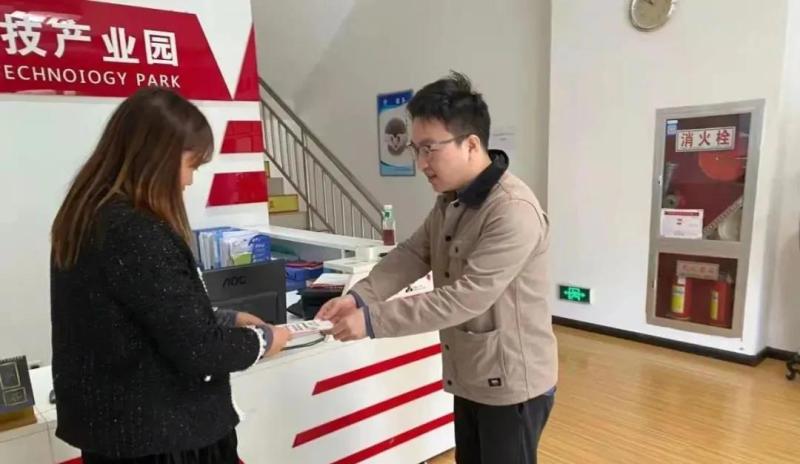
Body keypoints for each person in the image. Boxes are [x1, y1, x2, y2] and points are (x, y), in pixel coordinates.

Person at [318, 72, 558, 463]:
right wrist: (361, 296)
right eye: (416, 150)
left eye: (430, 149)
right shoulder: (451, 199)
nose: (421, 164)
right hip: (472, 373)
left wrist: (372, 320)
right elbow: (415, 252)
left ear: (471, 144)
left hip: (513, 381)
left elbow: (465, 299)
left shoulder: (512, 210)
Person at [49, 87, 291, 463]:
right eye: (191, 165)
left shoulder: (84, 217)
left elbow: (147, 316)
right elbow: (199, 351)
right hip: (164, 437)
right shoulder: (136, 231)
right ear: (157, 157)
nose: (188, 181)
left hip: (118, 435)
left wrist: (224, 319)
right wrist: (264, 339)